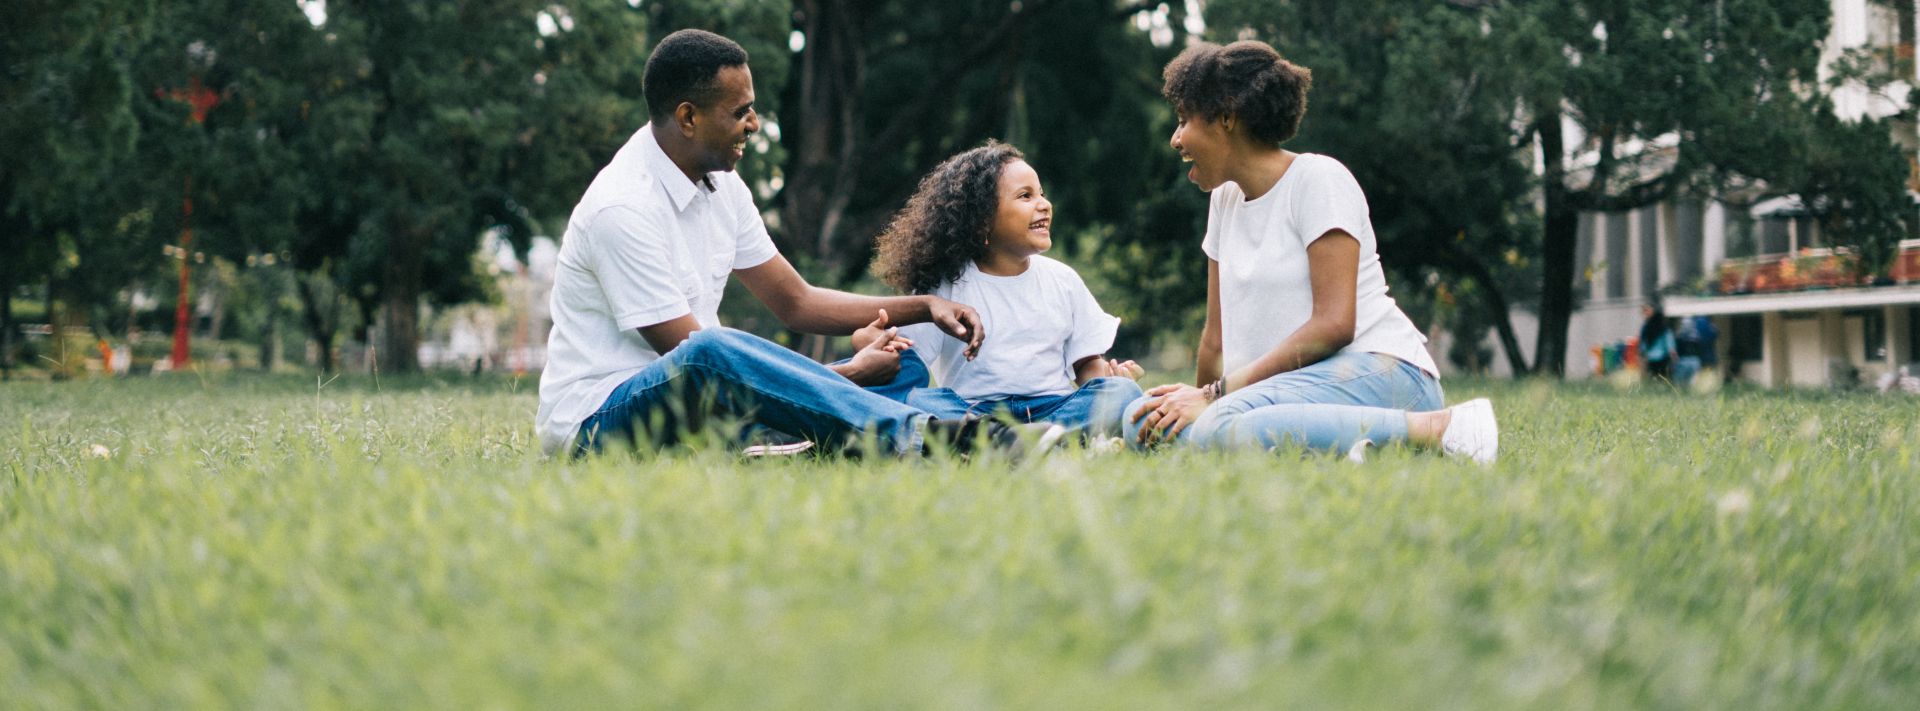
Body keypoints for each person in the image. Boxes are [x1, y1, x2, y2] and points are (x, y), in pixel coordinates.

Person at [535, 30, 1061, 458]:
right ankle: (928, 436)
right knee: (710, 347)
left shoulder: (722, 186)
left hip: (700, 404)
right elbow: (695, 361)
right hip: (599, 420)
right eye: (739, 111)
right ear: (688, 117)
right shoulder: (622, 207)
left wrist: (923, 308)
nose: (755, 124)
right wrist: (844, 375)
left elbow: (797, 302)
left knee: (897, 369)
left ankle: (813, 441)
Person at [1124, 40, 1498, 463]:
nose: (1175, 139)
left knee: (1221, 424)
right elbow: (1215, 340)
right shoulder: (1224, 201)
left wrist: (1214, 398)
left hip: (1379, 372)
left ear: (1226, 116)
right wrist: (1191, 404)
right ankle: (1350, 446)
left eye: (1182, 120)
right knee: (1141, 423)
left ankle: (1441, 427)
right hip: (1283, 390)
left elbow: (1335, 325)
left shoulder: (1318, 180)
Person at [869, 141, 1146, 437]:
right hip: (973, 413)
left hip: (1054, 407)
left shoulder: (1062, 279)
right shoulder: (944, 286)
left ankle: (1037, 438)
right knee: (918, 400)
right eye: (1025, 196)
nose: (1043, 204)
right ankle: (1011, 439)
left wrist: (1106, 382)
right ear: (980, 221)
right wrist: (873, 340)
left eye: (1042, 194)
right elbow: (908, 361)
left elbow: (1087, 361)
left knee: (1122, 393)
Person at [1638, 300, 1675, 383]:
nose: (1645, 314)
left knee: (1659, 380)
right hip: (1655, 359)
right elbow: (1643, 344)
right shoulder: (1657, 325)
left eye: (1647, 310)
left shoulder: (1652, 326)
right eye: (1644, 311)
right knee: (1661, 381)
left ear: (1653, 311)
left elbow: (1668, 340)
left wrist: (1672, 353)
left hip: (1661, 359)